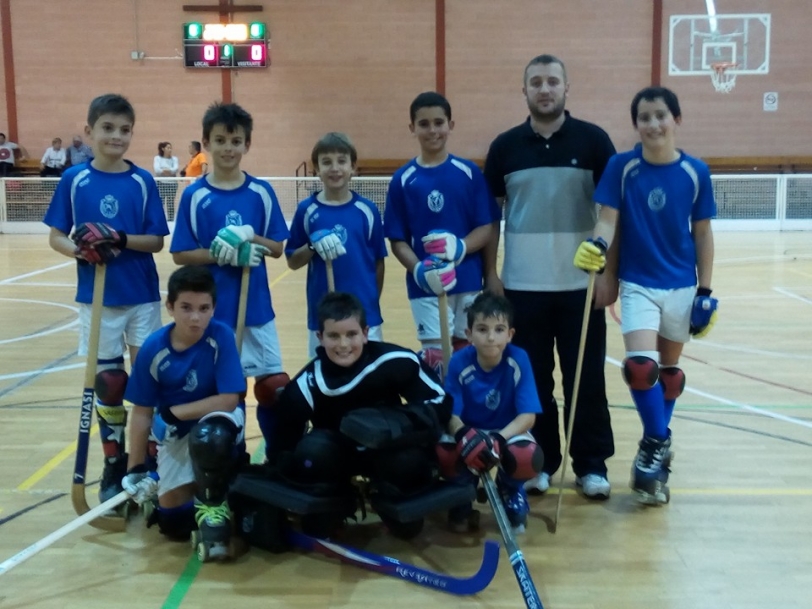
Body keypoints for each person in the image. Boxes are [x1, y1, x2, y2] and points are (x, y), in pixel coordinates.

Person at [573, 86, 717, 505]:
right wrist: (597, 249)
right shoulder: (622, 167)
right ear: (636, 124)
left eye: (660, 115)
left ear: (676, 119)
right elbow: (607, 221)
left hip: (681, 285)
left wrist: (705, 291)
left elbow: (703, 233)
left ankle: (654, 461)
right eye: (644, 117)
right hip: (638, 283)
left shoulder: (696, 171)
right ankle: (657, 441)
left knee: (669, 373)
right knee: (640, 367)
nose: (653, 124)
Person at [483, 54, 617, 500]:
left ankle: (592, 464)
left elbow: (612, 214)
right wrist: (492, 275)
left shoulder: (594, 141)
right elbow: (492, 218)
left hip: (580, 287)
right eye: (536, 82)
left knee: (587, 379)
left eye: (552, 81)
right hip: (523, 285)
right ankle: (539, 462)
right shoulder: (505, 147)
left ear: (566, 88)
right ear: (524, 91)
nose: (545, 89)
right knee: (534, 381)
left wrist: (607, 276)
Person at [43, 93, 169, 504]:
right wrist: (79, 250)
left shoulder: (142, 181)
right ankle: (114, 460)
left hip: (141, 295)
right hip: (96, 298)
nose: (117, 137)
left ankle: (147, 457)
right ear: (89, 131)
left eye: (125, 130)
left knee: (147, 380)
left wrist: (119, 238)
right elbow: (56, 236)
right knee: (110, 383)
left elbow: (155, 241)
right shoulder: (74, 180)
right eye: (108, 128)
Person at [268, 291, 451, 539]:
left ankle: (385, 495)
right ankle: (341, 500)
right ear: (319, 337)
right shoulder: (306, 386)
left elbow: (441, 401)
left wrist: (393, 422)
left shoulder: (395, 361)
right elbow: (283, 443)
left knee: (408, 519)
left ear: (365, 333)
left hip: (387, 450)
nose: (343, 345)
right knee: (312, 454)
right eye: (333, 336)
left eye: (351, 334)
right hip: (336, 457)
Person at [170, 102, 291, 459]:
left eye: (235, 140)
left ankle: (276, 456)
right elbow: (181, 254)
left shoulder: (261, 192)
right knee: (227, 392)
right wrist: (222, 253)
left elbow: (278, 247)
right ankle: (230, 457)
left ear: (247, 145)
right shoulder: (195, 195)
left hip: (256, 309)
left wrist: (250, 237)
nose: (228, 148)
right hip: (214, 314)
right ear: (206, 143)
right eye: (220, 140)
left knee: (272, 387)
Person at [122, 266, 247, 558]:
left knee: (210, 438)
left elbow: (229, 399)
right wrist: (135, 468)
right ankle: (221, 491)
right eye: (186, 308)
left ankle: (215, 501)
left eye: (204, 308)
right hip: (177, 432)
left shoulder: (221, 337)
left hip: (219, 420)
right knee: (174, 523)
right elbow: (141, 412)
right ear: (170, 307)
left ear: (214, 308)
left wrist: (172, 413)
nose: (195, 317)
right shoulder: (154, 348)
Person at [384, 91, 501, 376]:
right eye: (424, 124)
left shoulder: (469, 172)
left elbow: (486, 227)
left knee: (470, 354)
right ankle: (439, 418)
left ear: (451, 124)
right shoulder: (403, 180)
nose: (432, 130)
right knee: (437, 359)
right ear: (412, 128)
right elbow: (397, 240)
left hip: (470, 280)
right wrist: (419, 270)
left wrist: (461, 247)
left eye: (439, 122)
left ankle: (467, 418)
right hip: (425, 286)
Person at [439, 291, 543, 534]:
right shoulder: (458, 361)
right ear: (469, 334)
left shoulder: (519, 359)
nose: (491, 337)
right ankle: (462, 494)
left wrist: (498, 439)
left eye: (499, 330)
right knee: (443, 453)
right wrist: (465, 435)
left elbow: (528, 416)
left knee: (527, 455)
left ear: (510, 334)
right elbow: (450, 415)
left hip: (506, 432)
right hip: (471, 431)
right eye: (482, 329)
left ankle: (508, 488)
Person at [286, 132, 387, 357]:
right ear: (316, 168)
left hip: (365, 315)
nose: (335, 168)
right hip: (322, 317)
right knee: (325, 381)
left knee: (367, 380)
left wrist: (369, 302)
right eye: (326, 162)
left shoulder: (367, 210)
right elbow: (292, 260)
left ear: (353, 167)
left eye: (342, 161)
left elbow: (378, 263)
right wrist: (312, 245)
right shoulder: (307, 210)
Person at [153, 141, 180, 219]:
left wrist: (164, 170)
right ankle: (159, 219)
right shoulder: (157, 158)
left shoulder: (174, 159)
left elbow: (175, 169)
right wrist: (170, 172)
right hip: (161, 183)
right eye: (168, 148)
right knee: (160, 202)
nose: (170, 149)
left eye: (171, 148)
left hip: (172, 184)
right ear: (163, 149)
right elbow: (157, 170)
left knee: (170, 203)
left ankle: (170, 219)